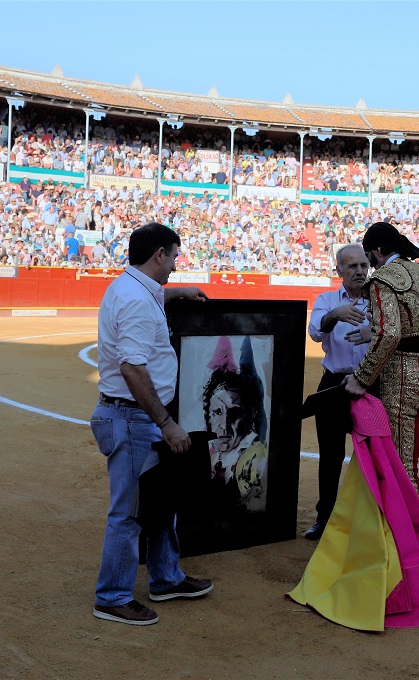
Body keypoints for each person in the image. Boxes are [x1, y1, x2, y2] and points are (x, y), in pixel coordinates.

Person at [90, 221, 212, 627]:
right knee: (128, 513)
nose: (176, 265)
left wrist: (176, 294)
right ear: (159, 254)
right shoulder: (138, 302)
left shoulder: (132, 288)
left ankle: (165, 577)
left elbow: (154, 295)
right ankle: (112, 597)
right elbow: (132, 368)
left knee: (161, 501)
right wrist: (166, 421)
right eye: (174, 256)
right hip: (133, 417)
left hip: (134, 415)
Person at [344, 222, 419, 493]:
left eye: (369, 255)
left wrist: (361, 378)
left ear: (378, 251)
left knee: (401, 467)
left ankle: (405, 532)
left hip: (401, 379)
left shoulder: (384, 278)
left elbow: (389, 335)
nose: (369, 264)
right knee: (411, 459)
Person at [304, 244, 370, 540]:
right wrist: (335, 315)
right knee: (330, 457)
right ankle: (325, 519)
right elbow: (316, 331)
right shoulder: (327, 299)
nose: (359, 271)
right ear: (339, 270)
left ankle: (368, 521)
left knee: (371, 457)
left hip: (370, 385)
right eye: (352, 266)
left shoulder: (378, 300)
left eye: (363, 265)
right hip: (333, 384)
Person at [203, 335, 268, 513]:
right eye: (217, 412)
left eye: (234, 414)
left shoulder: (253, 461)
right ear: (208, 416)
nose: (224, 426)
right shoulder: (206, 455)